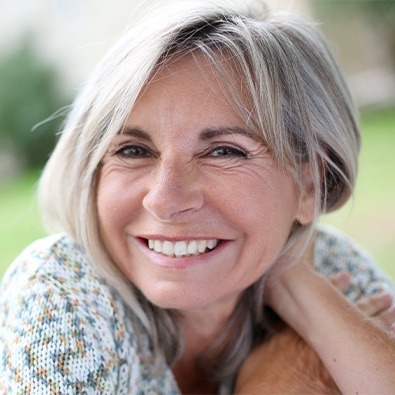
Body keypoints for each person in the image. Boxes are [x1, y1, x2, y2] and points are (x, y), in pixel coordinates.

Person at [0, 0, 394, 393]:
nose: (164, 200)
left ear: (309, 185)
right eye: (133, 150)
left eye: (224, 151)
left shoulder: (330, 266)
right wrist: (274, 384)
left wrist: (300, 292)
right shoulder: (63, 293)